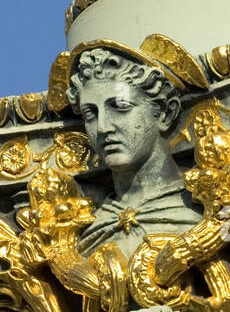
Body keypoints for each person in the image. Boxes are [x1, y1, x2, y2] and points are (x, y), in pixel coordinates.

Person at [61, 35, 208, 256]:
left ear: (166, 113)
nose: (102, 127)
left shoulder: (203, 210)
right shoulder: (88, 229)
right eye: (90, 113)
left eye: (120, 106)